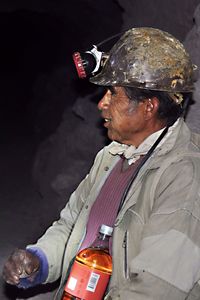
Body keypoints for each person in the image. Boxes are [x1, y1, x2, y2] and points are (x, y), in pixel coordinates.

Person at [3, 27, 200, 300]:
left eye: (113, 94)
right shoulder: (111, 156)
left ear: (149, 107)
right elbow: (71, 224)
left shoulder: (185, 175)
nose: (101, 104)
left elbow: (156, 289)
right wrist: (39, 259)